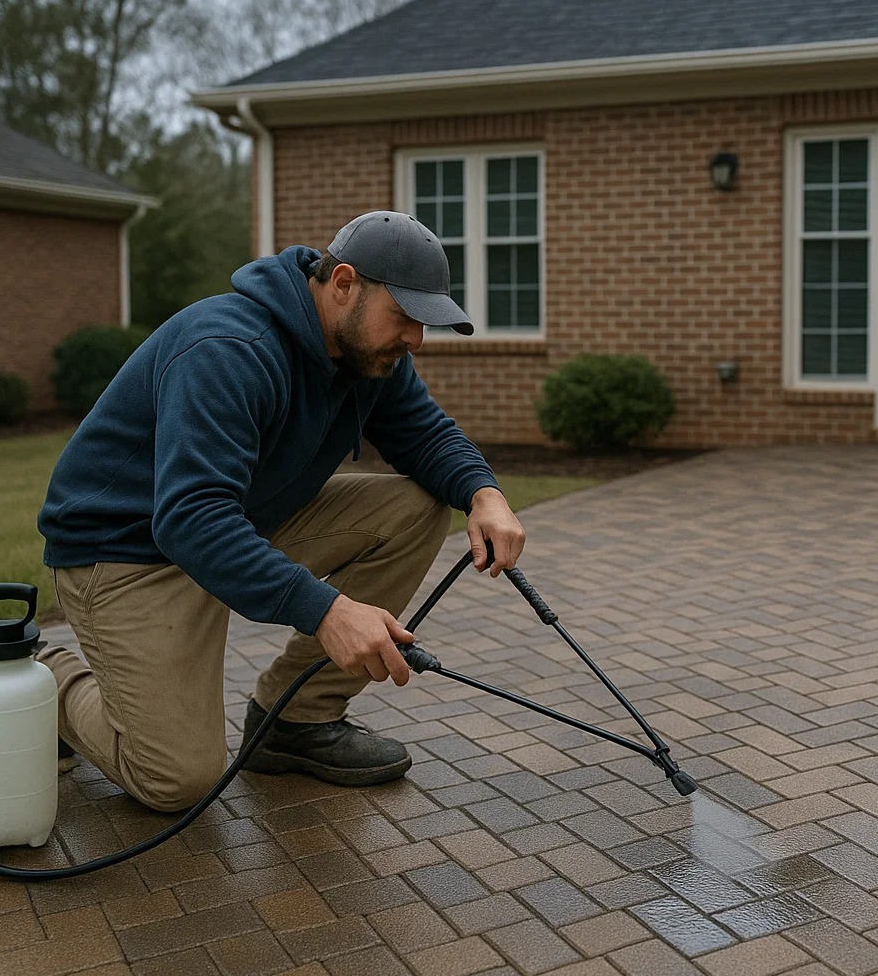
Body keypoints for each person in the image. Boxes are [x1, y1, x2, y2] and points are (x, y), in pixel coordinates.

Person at [35, 210, 525, 812]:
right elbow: (190, 516)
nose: (416, 340)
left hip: (232, 520)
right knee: (177, 781)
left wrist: (484, 492)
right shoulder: (228, 349)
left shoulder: (367, 354)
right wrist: (326, 611)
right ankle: (43, 676)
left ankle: (294, 720)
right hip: (124, 550)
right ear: (343, 283)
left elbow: (423, 435)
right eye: (404, 317)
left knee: (417, 505)